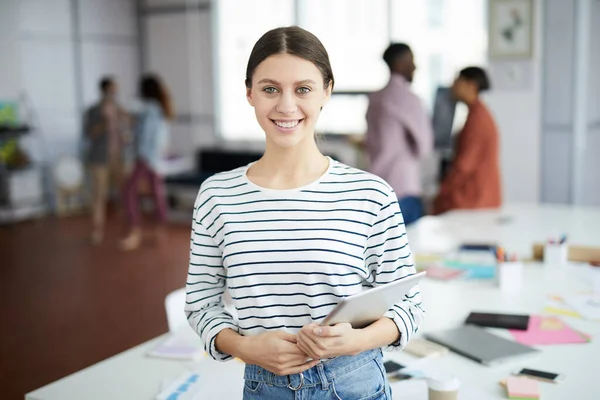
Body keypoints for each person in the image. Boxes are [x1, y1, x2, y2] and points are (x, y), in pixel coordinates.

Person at [184, 27, 423, 399]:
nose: (286, 106)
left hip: (355, 382)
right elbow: (200, 303)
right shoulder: (218, 195)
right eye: (270, 89)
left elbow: (409, 306)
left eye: (303, 89)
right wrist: (245, 348)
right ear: (249, 93)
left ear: (326, 90)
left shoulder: (370, 193)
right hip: (265, 386)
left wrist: (355, 340)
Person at [365, 43, 433, 225]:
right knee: (411, 251)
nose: (415, 67)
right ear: (399, 63)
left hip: (378, 188)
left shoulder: (374, 98)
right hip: (404, 188)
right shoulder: (410, 99)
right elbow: (424, 147)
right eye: (411, 61)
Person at [433, 67, 501, 214]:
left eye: (458, 81)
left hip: (474, 199)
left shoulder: (478, 120)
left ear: (472, 85)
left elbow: (464, 165)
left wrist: (443, 191)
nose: (453, 86)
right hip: (481, 196)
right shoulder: (478, 114)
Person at [120, 74, 173, 251]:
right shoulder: (160, 109)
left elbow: (146, 135)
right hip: (156, 158)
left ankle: (135, 231)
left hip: (146, 157)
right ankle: (159, 229)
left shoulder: (150, 108)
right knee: (157, 193)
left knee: (129, 192)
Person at [83, 76, 129, 245]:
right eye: (112, 90)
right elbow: (88, 133)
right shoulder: (93, 110)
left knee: (124, 193)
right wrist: (104, 122)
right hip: (99, 159)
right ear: (104, 90)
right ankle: (97, 231)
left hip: (118, 157)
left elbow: (126, 129)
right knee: (99, 195)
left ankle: (126, 229)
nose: (114, 93)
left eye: (116, 90)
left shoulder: (119, 109)